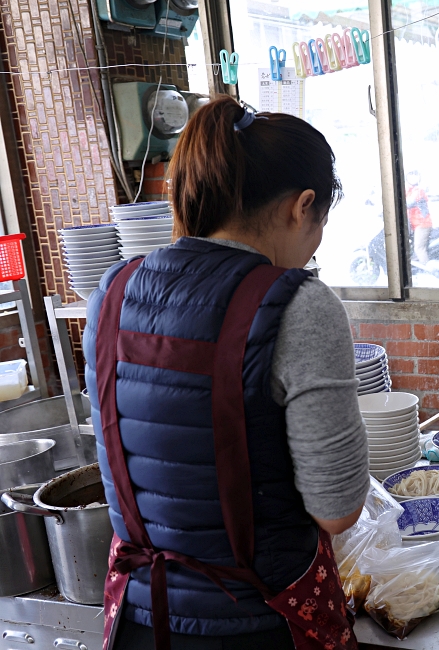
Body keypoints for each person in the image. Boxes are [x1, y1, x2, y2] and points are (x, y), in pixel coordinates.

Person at [84, 97, 368, 650]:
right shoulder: (299, 306)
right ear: (301, 206)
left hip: (143, 622)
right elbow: (337, 510)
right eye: (320, 225)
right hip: (258, 625)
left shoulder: (112, 292)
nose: (313, 247)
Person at [406, 170, 433, 265]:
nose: (413, 178)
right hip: (414, 225)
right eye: (410, 176)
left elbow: (409, 202)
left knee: (419, 249)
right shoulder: (408, 191)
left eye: (415, 176)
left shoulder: (419, 191)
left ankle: (430, 272)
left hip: (422, 224)